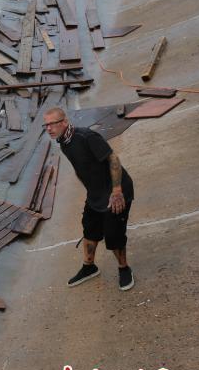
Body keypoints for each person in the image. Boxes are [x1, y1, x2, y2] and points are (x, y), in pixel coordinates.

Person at [43, 107, 135, 291]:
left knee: (114, 234)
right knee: (89, 229)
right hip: (96, 193)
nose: (48, 129)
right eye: (45, 125)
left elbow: (113, 160)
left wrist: (117, 191)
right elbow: (81, 167)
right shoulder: (64, 142)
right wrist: (90, 189)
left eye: (51, 124)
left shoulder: (86, 137)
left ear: (63, 122)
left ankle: (124, 269)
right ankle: (89, 267)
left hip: (116, 191)